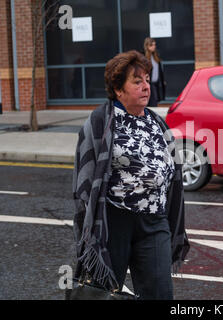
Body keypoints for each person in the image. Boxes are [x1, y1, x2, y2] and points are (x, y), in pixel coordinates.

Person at [72, 50, 189, 300]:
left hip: (155, 220)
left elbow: (172, 173)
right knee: (103, 292)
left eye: (147, 79)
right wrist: (89, 227)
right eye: (137, 81)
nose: (146, 86)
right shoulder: (100, 122)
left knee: (160, 293)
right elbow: (84, 182)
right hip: (114, 221)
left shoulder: (157, 123)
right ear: (118, 89)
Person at [144, 37, 166, 107]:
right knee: (153, 101)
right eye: (152, 45)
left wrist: (162, 80)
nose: (154, 47)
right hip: (149, 83)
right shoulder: (144, 58)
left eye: (154, 45)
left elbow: (159, 70)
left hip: (157, 83)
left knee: (155, 100)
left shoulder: (156, 56)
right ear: (147, 46)